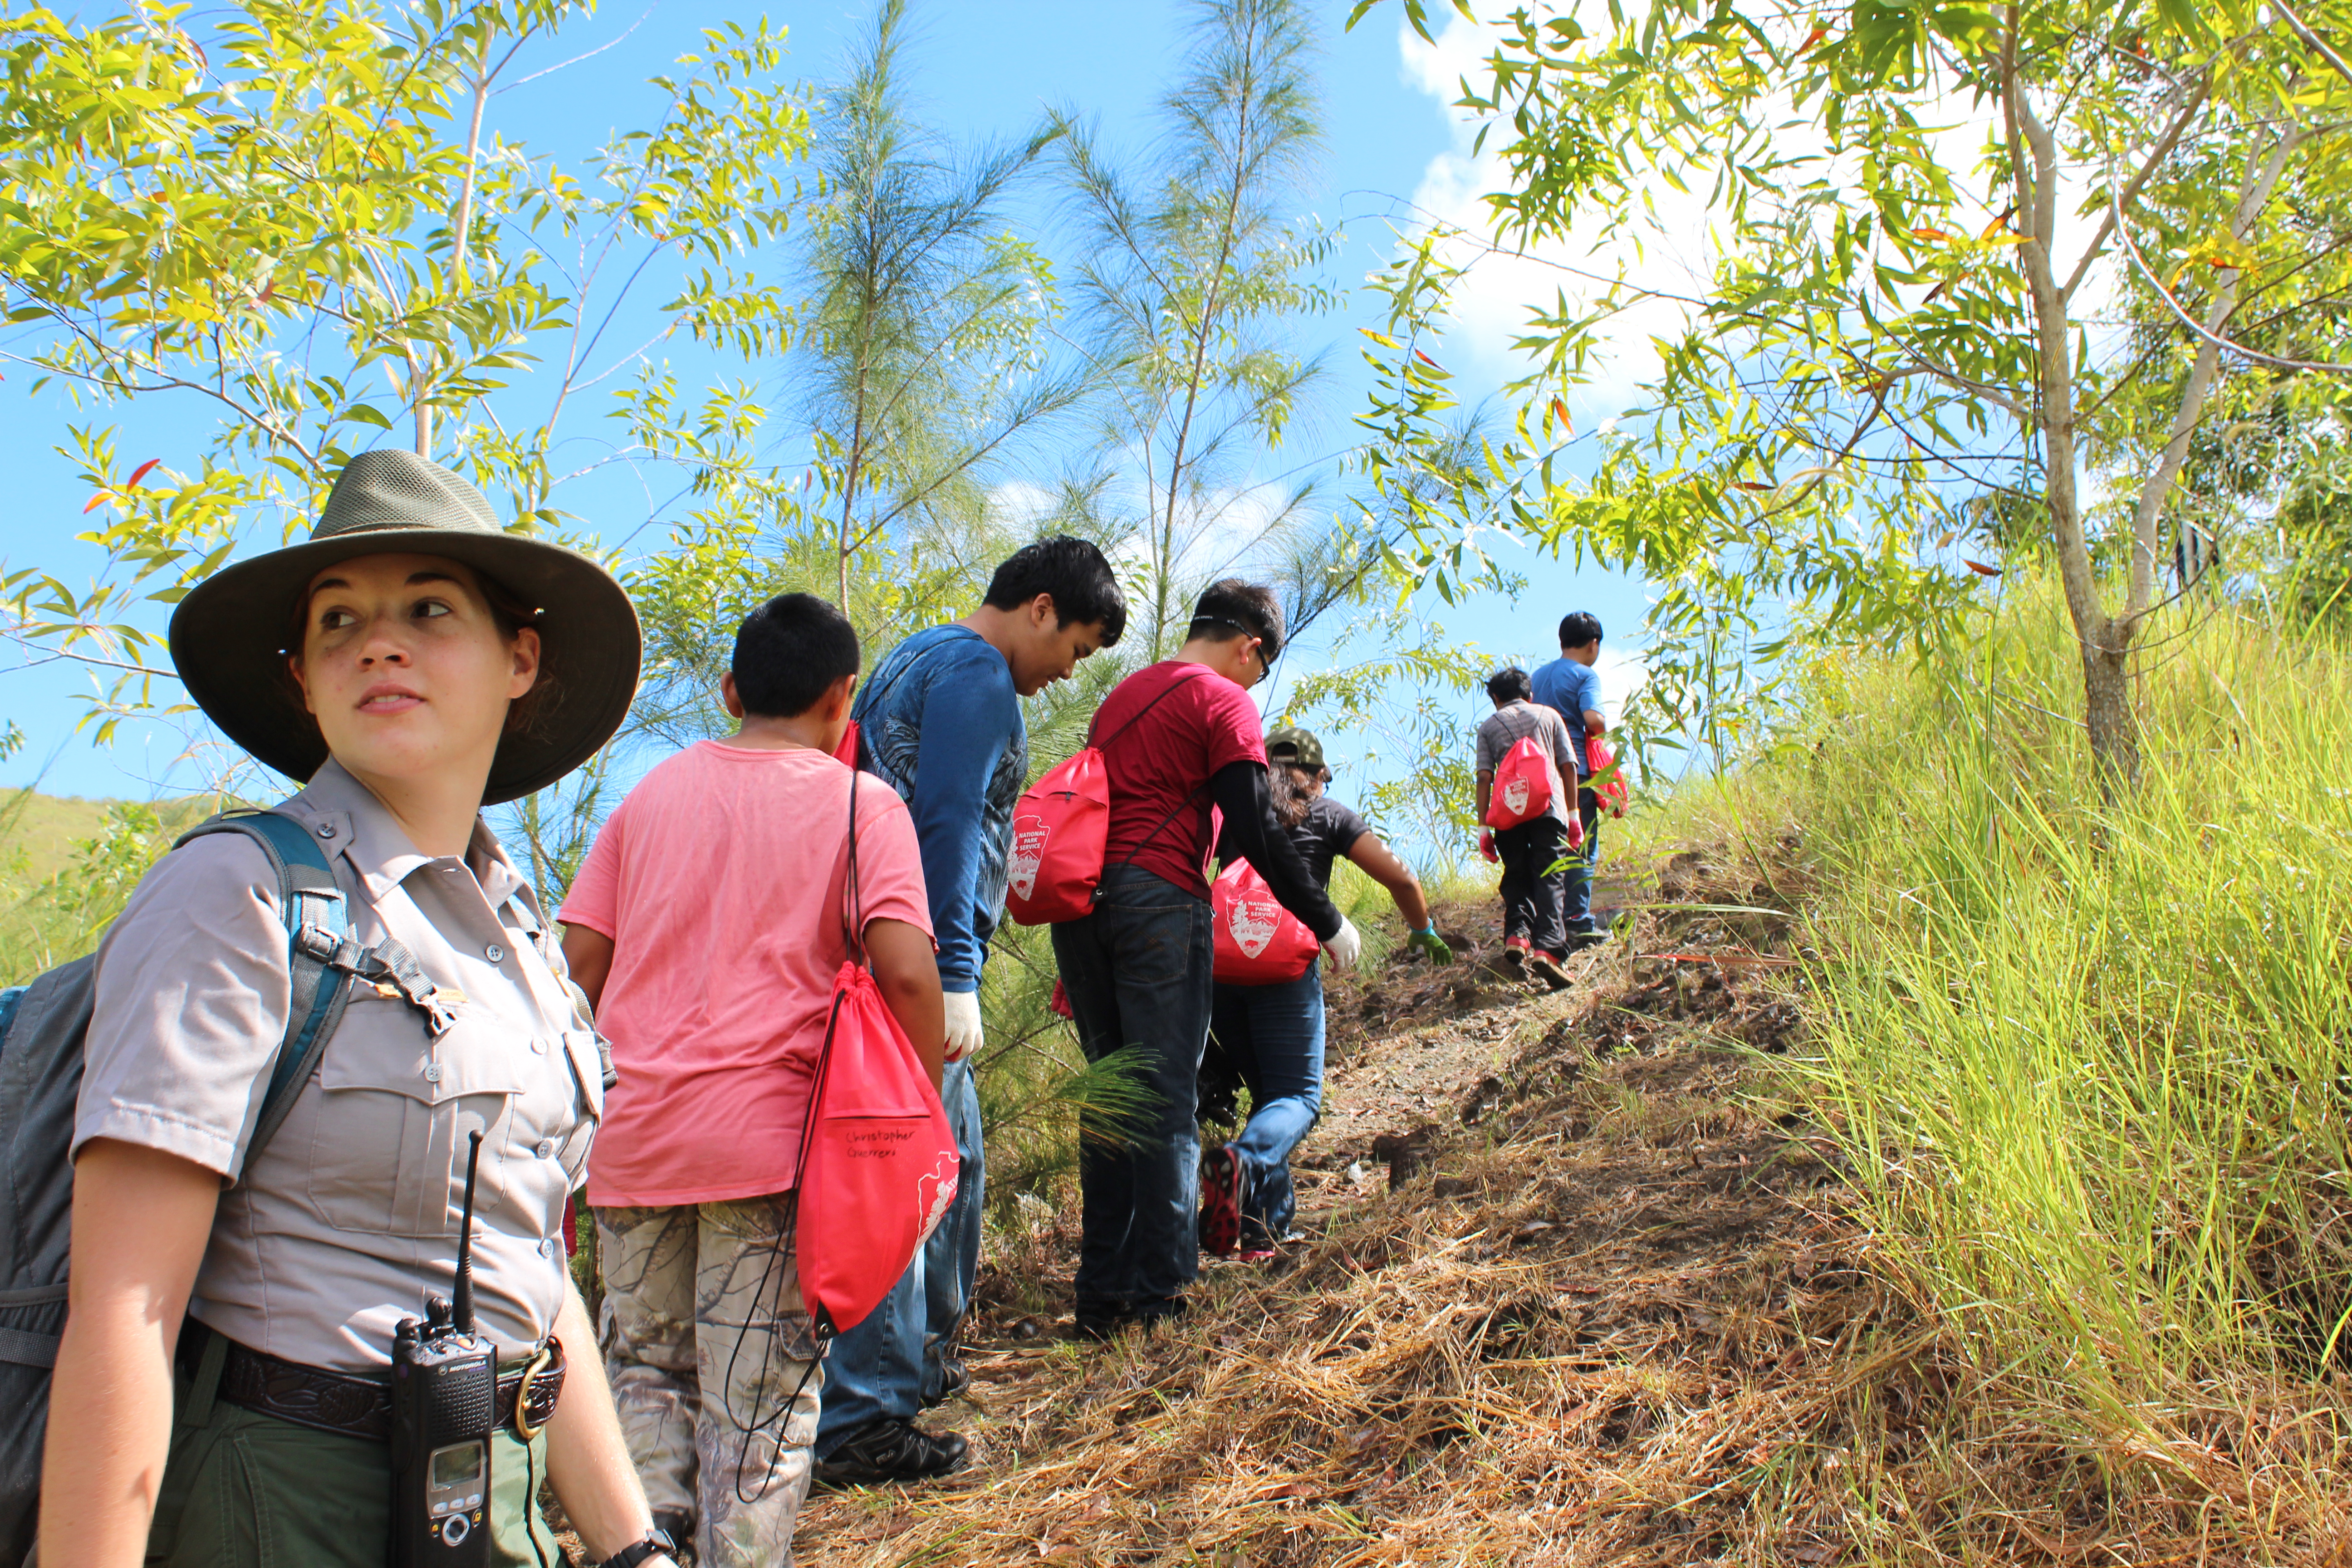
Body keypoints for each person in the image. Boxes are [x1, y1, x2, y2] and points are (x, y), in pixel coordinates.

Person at [47, 449, 680, 1568]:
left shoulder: (528, 942)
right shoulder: (241, 893)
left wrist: (635, 1549)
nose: (376, 641)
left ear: (518, 657)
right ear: (303, 680)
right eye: (336, 621)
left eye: (427, 608)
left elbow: (529, 1272)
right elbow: (122, 1310)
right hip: (279, 1498)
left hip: (495, 1500)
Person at [558, 593, 946, 1566]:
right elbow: (904, 969)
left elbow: (575, 968)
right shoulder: (863, 804)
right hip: (766, 1151)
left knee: (645, 1374)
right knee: (758, 1411)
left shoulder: (647, 798)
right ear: (842, 698)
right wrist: (922, 1110)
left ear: (731, 690)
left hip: (632, 1141)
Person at [813, 538, 1126, 1488]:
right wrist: (953, 975)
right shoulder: (980, 676)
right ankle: (863, 1418)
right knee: (909, 1184)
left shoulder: (913, 655)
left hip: (872, 941)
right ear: (1040, 609)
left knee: (957, 1168)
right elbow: (948, 818)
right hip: (911, 959)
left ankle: (918, 1369)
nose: (1066, 672)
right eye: (1075, 647)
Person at [1052, 580, 1357, 1339]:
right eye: (1264, 663)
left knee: (1114, 1093)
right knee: (1164, 1098)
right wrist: (1324, 918)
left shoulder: (1123, 697)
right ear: (1249, 646)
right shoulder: (1223, 702)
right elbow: (1254, 829)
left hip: (1083, 912)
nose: (1258, 680)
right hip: (1158, 905)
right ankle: (1161, 1296)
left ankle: (1102, 1297)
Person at [1200, 727, 1454, 1260]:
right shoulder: (1328, 814)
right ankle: (1242, 1161)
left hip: (1220, 969)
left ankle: (1264, 1233)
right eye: (1325, 777)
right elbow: (1402, 880)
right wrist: (1421, 928)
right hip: (1284, 972)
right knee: (1299, 1099)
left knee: (1271, 1096)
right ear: (1314, 776)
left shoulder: (1231, 813)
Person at [1475, 666, 1584, 990]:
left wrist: (1484, 827)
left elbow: (1484, 777)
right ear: (1529, 693)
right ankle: (1548, 950)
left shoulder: (1489, 726)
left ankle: (1517, 935)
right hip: (1548, 807)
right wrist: (1575, 813)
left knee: (1517, 873)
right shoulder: (1549, 716)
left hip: (1508, 812)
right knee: (1550, 876)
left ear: (1495, 698)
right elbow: (1568, 765)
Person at [1530, 611, 1610, 946]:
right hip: (1574, 773)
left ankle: (1549, 922)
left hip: (1540, 775)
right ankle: (1577, 920)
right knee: (1582, 845)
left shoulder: (1537, 676)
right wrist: (1602, 726)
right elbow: (1594, 720)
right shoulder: (1585, 676)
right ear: (1594, 645)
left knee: (1551, 847)